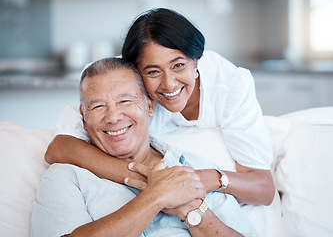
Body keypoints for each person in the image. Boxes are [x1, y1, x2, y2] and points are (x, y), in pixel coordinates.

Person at [45, 8, 275, 206]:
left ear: (196, 61)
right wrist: (151, 182)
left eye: (178, 65)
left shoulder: (231, 85)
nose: (169, 84)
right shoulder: (121, 80)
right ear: (136, 71)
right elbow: (59, 147)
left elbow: (264, 187)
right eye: (153, 71)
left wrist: (208, 178)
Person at [31, 57, 258, 237]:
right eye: (98, 106)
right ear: (83, 117)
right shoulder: (64, 177)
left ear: (149, 106)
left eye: (125, 101)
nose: (113, 117)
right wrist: (155, 197)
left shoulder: (193, 167)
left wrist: (191, 210)